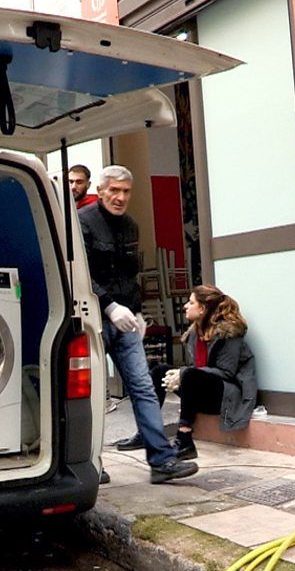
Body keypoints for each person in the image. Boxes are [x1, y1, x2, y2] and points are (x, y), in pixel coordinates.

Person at [79, 165, 198, 484]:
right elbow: (81, 275)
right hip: (94, 319)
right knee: (92, 394)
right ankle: (89, 463)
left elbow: (132, 276)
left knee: (144, 388)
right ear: (101, 191)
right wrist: (108, 305)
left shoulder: (131, 226)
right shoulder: (83, 223)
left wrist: (137, 312)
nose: (120, 197)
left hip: (126, 320)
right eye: (114, 191)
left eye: (126, 191)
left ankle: (161, 461)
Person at [152, 285, 257, 460]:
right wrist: (179, 376)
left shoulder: (229, 333)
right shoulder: (195, 333)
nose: (185, 306)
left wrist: (183, 374)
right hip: (200, 390)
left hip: (226, 397)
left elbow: (226, 373)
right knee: (160, 371)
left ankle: (184, 440)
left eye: (191, 302)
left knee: (190, 374)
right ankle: (148, 432)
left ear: (202, 309)